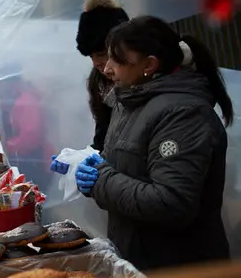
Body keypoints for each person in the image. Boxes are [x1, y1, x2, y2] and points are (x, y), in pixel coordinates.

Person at [74, 16, 232, 270]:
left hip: (180, 266)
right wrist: (98, 164)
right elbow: (132, 167)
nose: (107, 68)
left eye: (118, 59)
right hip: (138, 259)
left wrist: (101, 180)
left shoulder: (183, 114)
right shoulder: (129, 101)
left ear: (149, 64)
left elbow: (171, 202)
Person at [74, 0, 130, 151]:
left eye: (101, 54)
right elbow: (103, 137)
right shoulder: (99, 84)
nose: (97, 63)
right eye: (91, 56)